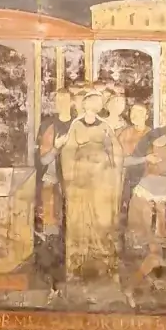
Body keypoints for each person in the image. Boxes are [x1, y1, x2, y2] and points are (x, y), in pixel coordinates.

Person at [123, 109, 166, 292]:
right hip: (148, 198)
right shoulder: (155, 138)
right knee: (154, 253)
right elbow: (129, 161)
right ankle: (132, 287)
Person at [57, 85, 120, 280]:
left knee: (101, 219)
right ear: (84, 105)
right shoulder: (76, 125)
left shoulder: (104, 126)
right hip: (81, 179)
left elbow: (115, 151)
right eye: (91, 102)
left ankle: (104, 261)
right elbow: (68, 151)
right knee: (79, 219)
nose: (94, 106)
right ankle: (77, 262)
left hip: (101, 179)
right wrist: (70, 176)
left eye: (98, 103)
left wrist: (111, 170)